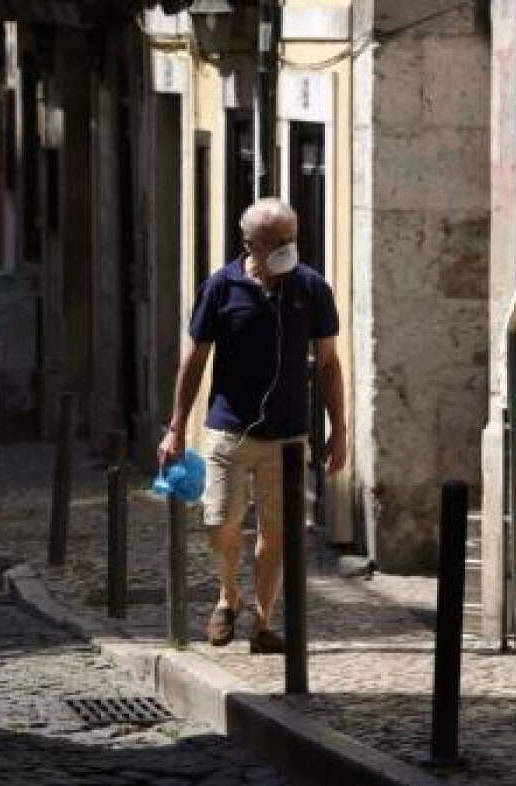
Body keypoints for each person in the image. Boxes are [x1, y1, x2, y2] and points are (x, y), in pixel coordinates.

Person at [157, 198, 347, 654]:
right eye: (275, 242)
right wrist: (176, 427)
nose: (286, 249)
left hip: (286, 435)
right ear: (251, 245)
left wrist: (338, 428)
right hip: (228, 429)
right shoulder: (221, 288)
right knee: (220, 521)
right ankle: (228, 595)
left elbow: (328, 363)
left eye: (290, 240)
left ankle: (262, 623)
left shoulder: (311, 289)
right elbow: (195, 359)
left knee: (277, 533)